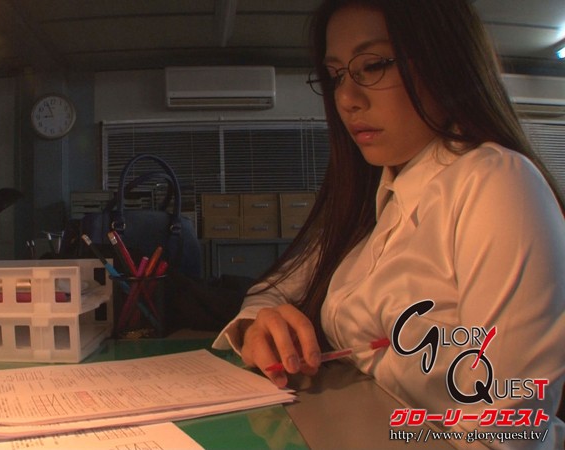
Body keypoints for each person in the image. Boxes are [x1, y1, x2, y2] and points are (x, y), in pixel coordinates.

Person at [212, 0, 565, 447]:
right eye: (336, 75)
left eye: (373, 65)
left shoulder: (494, 182)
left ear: (444, 60)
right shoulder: (374, 196)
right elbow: (272, 290)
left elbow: (504, 432)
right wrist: (258, 327)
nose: (347, 99)